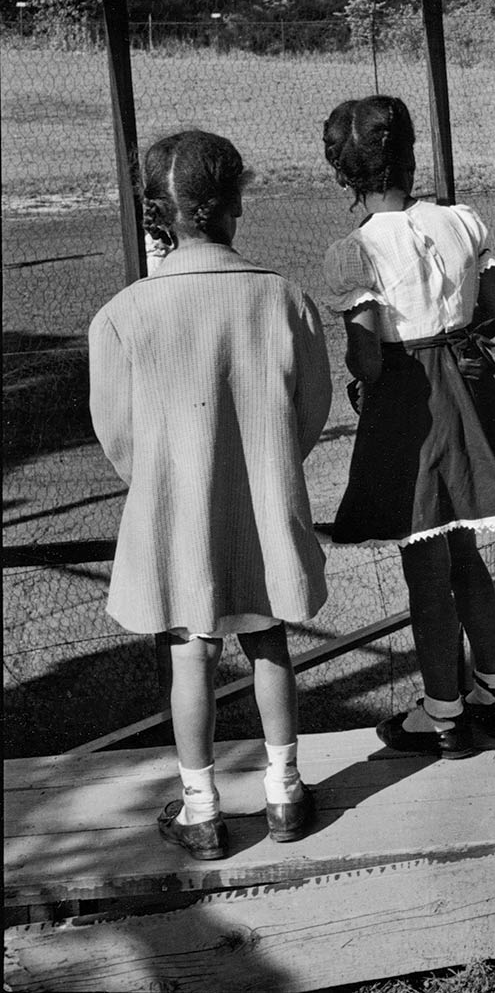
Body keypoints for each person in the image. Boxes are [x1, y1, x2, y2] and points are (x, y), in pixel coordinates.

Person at [89, 131, 331, 861]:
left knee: (189, 650)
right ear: (235, 199)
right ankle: (285, 790)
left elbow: (118, 434)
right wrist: (265, 464)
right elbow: (310, 408)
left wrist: (166, 479)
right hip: (263, 500)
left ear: (157, 211)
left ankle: (201, 808)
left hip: (175, 511)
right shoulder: (285, 298)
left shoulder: (123, 314)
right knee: (269, 637)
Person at [323, 96, 495, 758]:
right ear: (411, 157)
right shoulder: (460, 219)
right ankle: (493, 694)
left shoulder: (354, 251)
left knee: (425, 562)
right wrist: (458, 332)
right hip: (470, 388)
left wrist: (366, 370)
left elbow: (363, 357)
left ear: (345, 174)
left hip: (409, 399)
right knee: (466, 548)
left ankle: (442, 713)